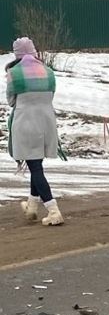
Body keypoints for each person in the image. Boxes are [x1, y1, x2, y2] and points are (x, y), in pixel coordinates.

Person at [5, 37, 64, 226]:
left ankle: (53, 210)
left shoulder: (14, 73)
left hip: (25, 123)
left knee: (35, 167)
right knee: (35, 164)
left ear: (16, 54)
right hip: (46, 122)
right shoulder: (48, 72)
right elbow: (51, 96)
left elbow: (11, 101)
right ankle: (31, 206)